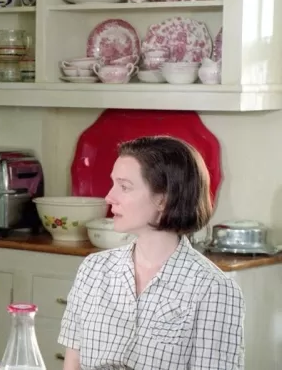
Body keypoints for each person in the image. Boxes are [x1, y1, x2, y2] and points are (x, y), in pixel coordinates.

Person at [59, 136, 245, 369]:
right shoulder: (93, 269)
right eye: (113, 184)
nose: (109, 197)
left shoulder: (214, 289)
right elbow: (73, 362)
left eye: (124, 187)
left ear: (163, 199)